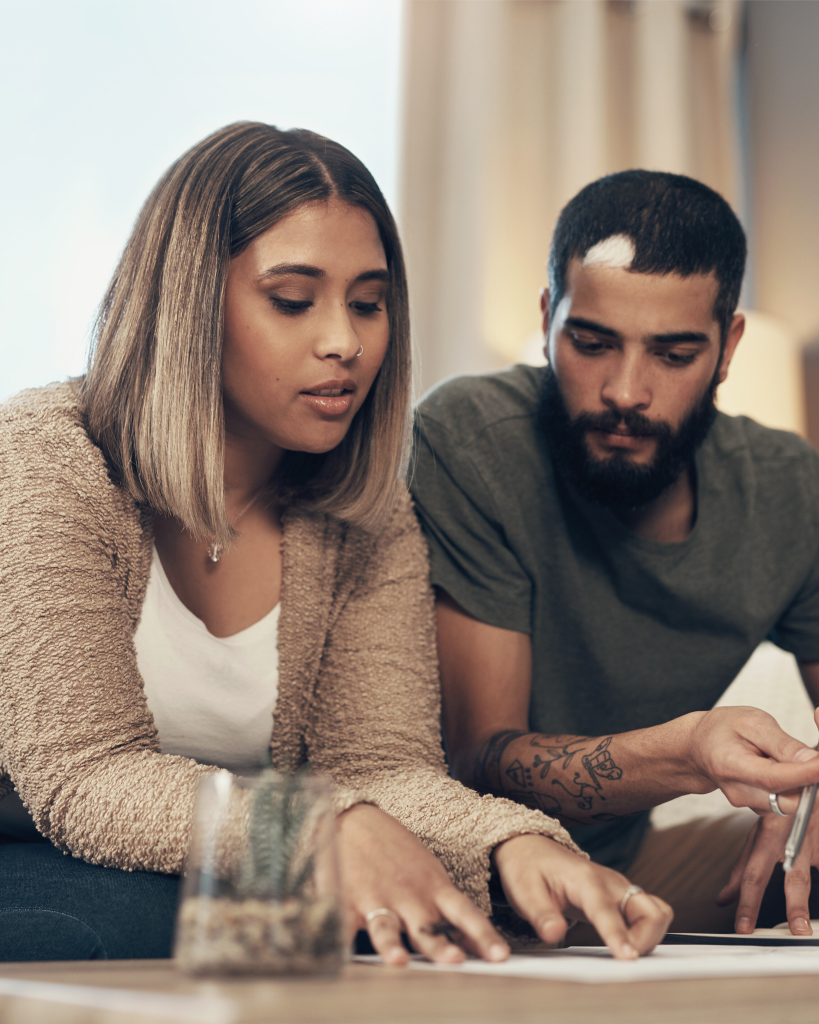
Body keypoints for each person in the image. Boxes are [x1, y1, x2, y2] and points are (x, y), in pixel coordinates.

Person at [0, 125, 672, 964]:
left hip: (200, 875)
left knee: (372, 920)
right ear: (188, 302)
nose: (345, 343)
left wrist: (514, 845)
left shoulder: (367, 515)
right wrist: (321, 828)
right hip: (38, 858)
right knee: (203, 918)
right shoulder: (42, 458)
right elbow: (81, 777)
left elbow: (384, 768)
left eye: (367, 302)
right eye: (292, 300)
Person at [410, 169, 819, 939]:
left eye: (672, 354)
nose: (624, 392)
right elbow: (480, 761)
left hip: (630, 868)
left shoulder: (788, 488)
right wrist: (686, 752)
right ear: (546, 321)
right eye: (592, 344)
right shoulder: (469, 440)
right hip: (461, 867)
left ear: (727, 346)